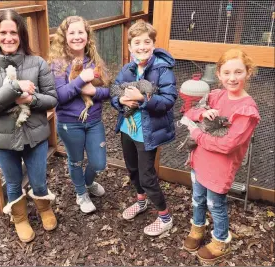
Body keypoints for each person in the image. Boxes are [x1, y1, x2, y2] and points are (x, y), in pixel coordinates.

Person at [0, 9, 58, 243]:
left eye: (14, 32)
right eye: (3, 32)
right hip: (2, 140)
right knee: (13, 182)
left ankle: (44, 208)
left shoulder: (37, 62)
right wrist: (14, 90)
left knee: (39, 179)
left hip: (35, 135)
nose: (8, 37)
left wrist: (30, 99)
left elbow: (52, 99)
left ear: (21, 35)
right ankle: (19, 218)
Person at [182, 49, 260, 264]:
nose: (232, 78)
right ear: (218, 74)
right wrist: (201, 113)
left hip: (220, 168)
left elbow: (228, 145)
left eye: (238, 72)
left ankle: (221, 240)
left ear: (248, 72)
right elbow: (188, 114)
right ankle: (197, 229)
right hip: (199, 161)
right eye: (226, 72)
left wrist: (197, 134)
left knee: (215, 204)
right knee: (197, 199)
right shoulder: (215, 96)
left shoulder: (246, 109)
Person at [110, 20, 177, 236]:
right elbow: (114, 92)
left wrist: (142, 100)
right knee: (132, 169)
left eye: (146, 42)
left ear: (153, 44)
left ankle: (165, 217)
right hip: (128, 129)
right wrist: (120, 102)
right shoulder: (128, 69)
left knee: (147, 175)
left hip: (147, 132)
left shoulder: (162, 69)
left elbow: (168, 100)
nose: (142, 46)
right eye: (136, 42)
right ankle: (141, 201)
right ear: (130, 47)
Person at [49, 16, 110, 213]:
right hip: (70, 123)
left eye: (80, 32)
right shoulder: (58, 64)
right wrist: (81, 80)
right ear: (64, 37)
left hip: (93, 120)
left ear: (87, 35)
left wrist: (94, 92)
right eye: (72, 33)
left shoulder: (94, 60)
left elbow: (108, 90)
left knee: (98, 162)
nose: (77, 36)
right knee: (75, 160)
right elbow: (60, 96)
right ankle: (81, 193)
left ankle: (87, 182)